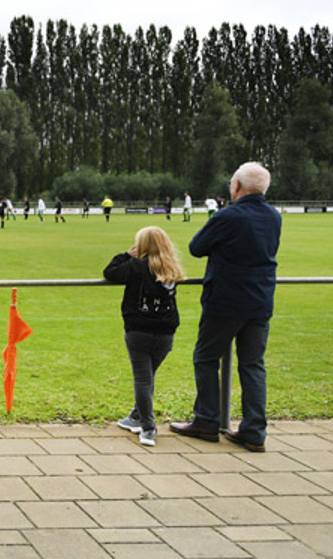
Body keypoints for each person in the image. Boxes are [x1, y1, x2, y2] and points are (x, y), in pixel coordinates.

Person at [171, 162, 281, 453]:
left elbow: (197, 247)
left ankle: (207, 420)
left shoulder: (229, 215)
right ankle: (254, 431)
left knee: (206, 358)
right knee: (253, 365)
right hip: (260, 301)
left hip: (226, 301)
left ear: (236, 187)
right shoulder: (273, 216)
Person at [104, 227, 186, 447]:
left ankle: (148, 428)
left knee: (142, 379)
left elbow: (110, 272)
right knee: (148, 377)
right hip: (165, 332)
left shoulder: (136, 267)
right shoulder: (172, 268)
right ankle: (136, 417)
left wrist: (126, 255)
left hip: (139, 330)